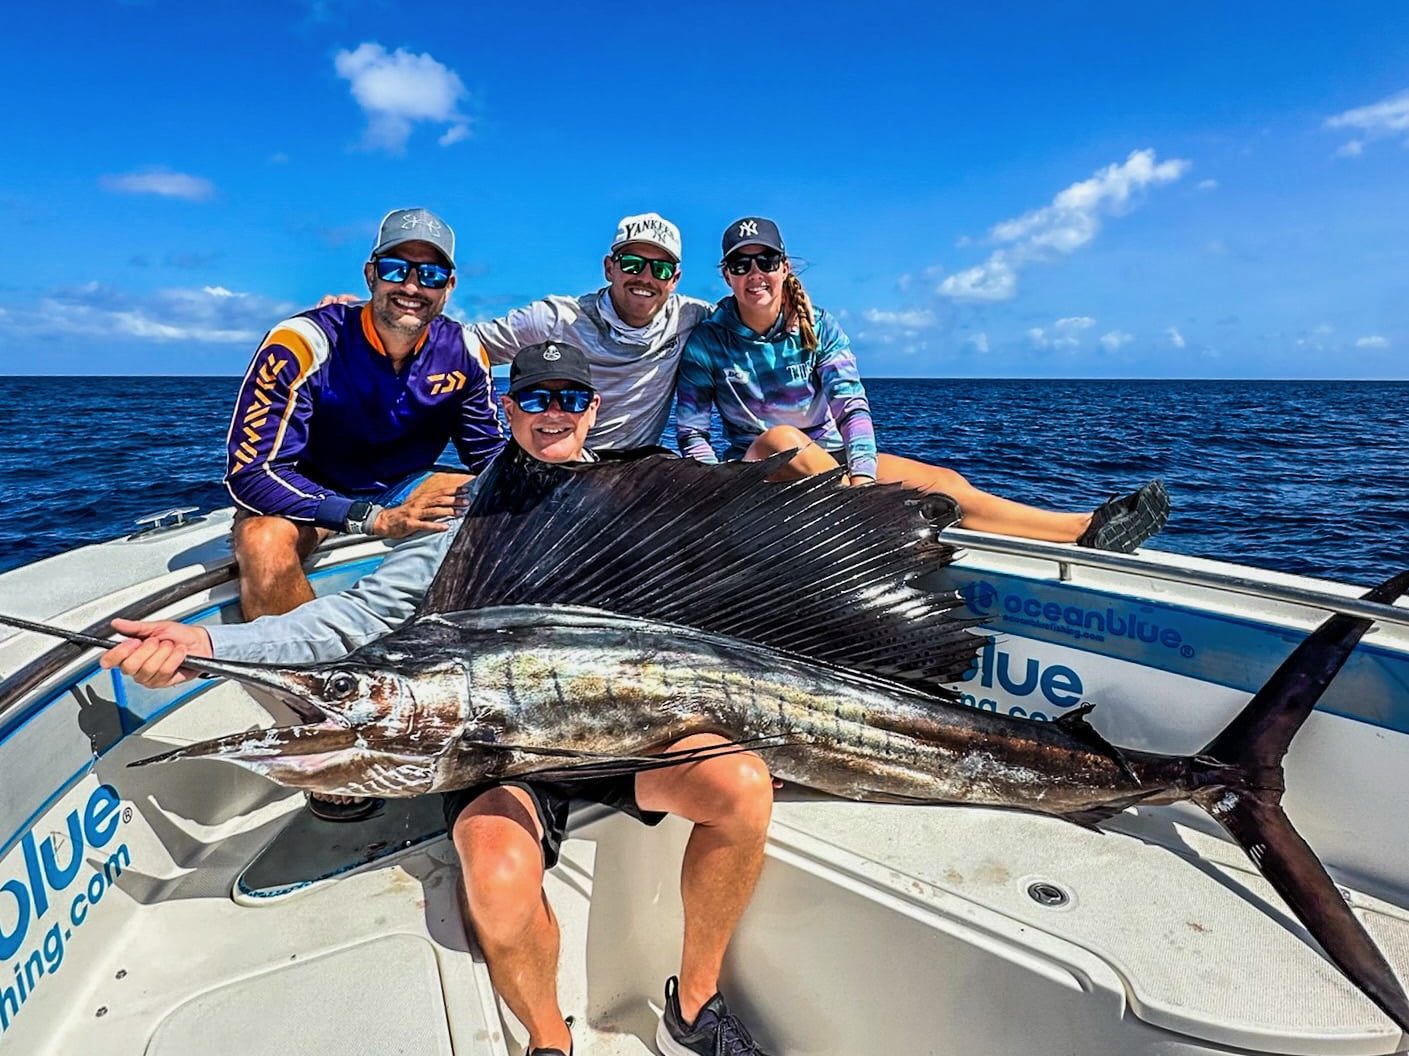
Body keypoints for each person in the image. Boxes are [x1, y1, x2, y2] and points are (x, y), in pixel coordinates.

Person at [101, 343, 777, 1056]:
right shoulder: (464, 510)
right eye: (536, 398)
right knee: (494, 870)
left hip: (624, 728)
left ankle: (696, 1003)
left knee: (737, 784)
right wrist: (210, 648)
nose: (554, 414)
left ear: (593, 410)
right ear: (508, 410)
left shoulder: (631, 506)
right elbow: (358, 617)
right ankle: (550, 1042)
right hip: (496, 746)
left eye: (570, 399)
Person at [675, 217, 1170, 552]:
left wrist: (864, 475)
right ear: (727, 276)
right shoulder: (707, 341)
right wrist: (716, 485)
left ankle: (1082, 529)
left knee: (947, 483)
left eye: (765, 262)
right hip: (757, 469)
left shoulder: (819, 326)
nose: (754, 274)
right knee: (784, 438)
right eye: (741, 265)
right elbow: (693, 432)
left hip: (830, 469)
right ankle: (871, 519)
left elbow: (853, 410)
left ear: (783, 267)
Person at [225, 206, 504, 624]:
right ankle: (309, 674)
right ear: (371, 274)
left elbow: (489, 453)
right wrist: (368, 518)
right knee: (263, 542)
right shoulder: (303, 342)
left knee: (508, 505)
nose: (412, 286)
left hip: (408, 483)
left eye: (430, 275)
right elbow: (253, 473)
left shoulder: (463, 349)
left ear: (448, 287)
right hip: (315, 493)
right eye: (396, 269)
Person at [325, 212, 715, 449]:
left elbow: (756, 320)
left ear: (676, 278)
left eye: (660, 269)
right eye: (632, 263)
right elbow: (463, 345)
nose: (645, 277)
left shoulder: (693, 318)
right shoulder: (554, 318)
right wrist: (370, 315)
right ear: (609, 267)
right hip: (553, 464)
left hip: (635, 469)